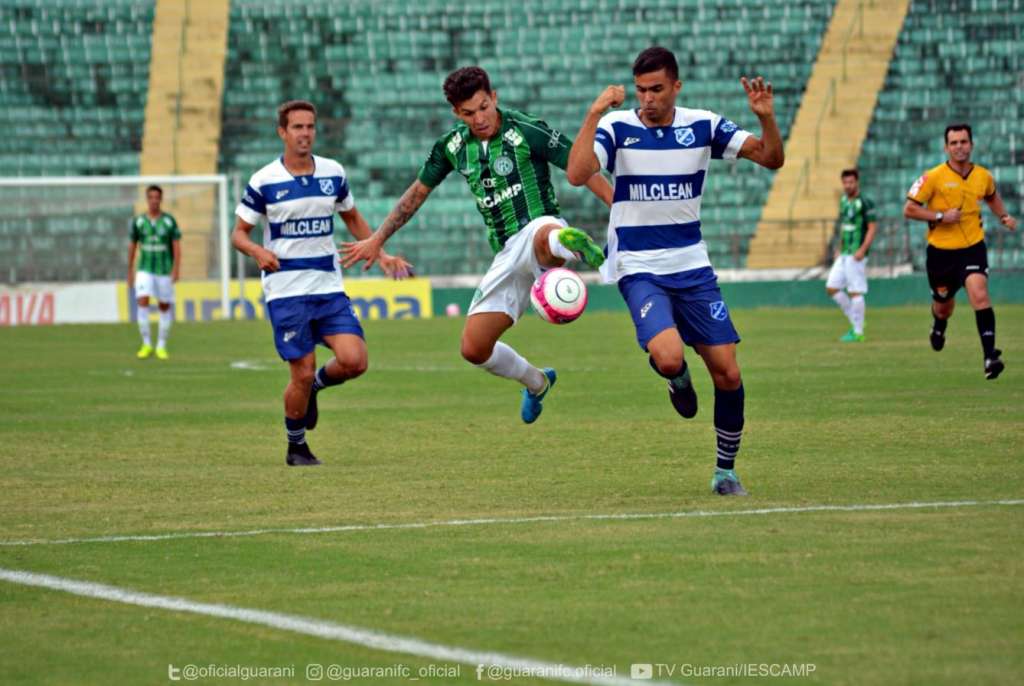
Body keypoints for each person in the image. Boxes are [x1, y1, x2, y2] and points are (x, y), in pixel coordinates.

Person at [566, 47, 784, 496]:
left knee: (728, 374)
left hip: (692, 266)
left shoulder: (703, 125)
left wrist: (766, 119)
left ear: (676, 87)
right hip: (637, 265)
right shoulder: (617, 127)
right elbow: (577, 173)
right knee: (668, 357)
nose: (648, 98)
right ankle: (677, 377)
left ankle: (725, 472)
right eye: (641, 90)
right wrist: (593, 114)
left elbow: (770, 158)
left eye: (657, 89)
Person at [342, 66, 612, 423]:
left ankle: (568, 244)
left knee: (543, 234)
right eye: (469, 113)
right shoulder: (452, 147)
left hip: (538, 226)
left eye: (484, 107)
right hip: (505, 253)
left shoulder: (526, 130)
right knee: (474, 348)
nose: (479, 118)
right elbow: (417, 194)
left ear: (494, 97)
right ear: (457, 112)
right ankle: (536, 382)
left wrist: (618, 208)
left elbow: (583, 167)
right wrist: (377, 239)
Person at [231, 100, 412, 466]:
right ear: (282, 132)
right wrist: (256, 251)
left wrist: (381, 254)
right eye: (297, 127)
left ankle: (316, 386)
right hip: (286, 291)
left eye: (310, 126)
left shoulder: (333, 173)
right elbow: (238, 233)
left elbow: (353, 219)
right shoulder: (264, 180)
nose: (305, 133)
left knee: (355, 360)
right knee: (300, 371)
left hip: (328, 287)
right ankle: (296, 446)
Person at [903, 123, 1017, 380]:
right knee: (943, 307)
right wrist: (940, 216)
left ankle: (990, 357)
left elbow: (991, 196)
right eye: (953, 143)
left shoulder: (983, 176)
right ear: (946, 148)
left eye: (963, 142)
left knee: (980, 294)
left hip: (972, 249)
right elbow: (909, 209)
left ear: (971, 145)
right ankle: (939, 325)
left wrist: (1003, 216)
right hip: (941, 254)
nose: (959, 147)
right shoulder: (932, 177)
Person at [128, 185, 180, 360]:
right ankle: (146, 344)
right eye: (151, 197)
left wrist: (176, 269)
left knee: (164, 306)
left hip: (164, 270)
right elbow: (133, 245)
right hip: (144, 268)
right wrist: (130, 270)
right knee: (142, 301)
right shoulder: (139, 222)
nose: (154, 201)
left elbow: (176, 246)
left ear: (161, 199)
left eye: (157, 197)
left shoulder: (169, 221)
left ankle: (161, 346)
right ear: (147, 199)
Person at [826, 169, 877, 342]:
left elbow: (872, 228)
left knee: (855, 291)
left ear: (857, 182)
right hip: (844, 253)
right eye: (845, 182)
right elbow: (845, 226)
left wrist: (862, 249)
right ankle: (857, 319)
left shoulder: (865, 202)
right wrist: (839, 248)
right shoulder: (843, 201)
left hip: (856, 254)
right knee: (832, 287)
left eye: (851, 182)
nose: (848, 185)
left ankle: (858, 332)